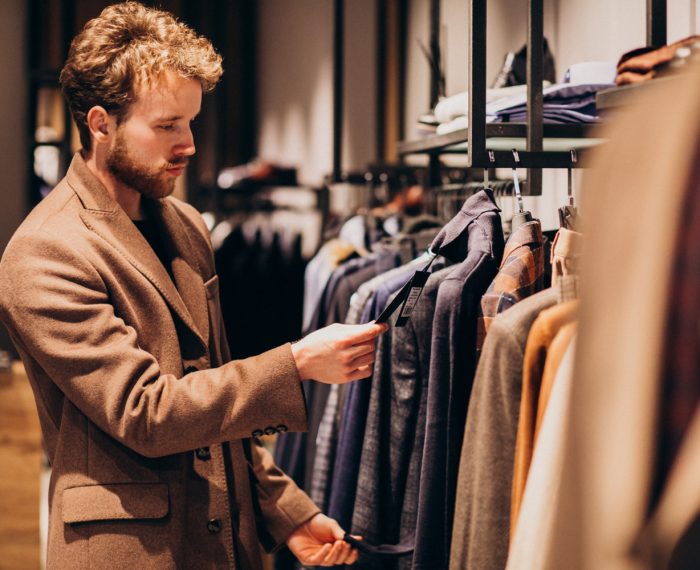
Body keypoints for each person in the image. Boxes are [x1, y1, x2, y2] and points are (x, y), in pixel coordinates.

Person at [0, 2, 386, 568]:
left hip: (226, 538)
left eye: (190, 122)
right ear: (101, 124)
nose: (190, 144)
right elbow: (146, 411)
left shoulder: (183, 225)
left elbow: (215, 397)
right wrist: (296, 363)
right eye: (166, 126)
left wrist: (288, 511)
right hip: (131, 551)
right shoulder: (45, 252)